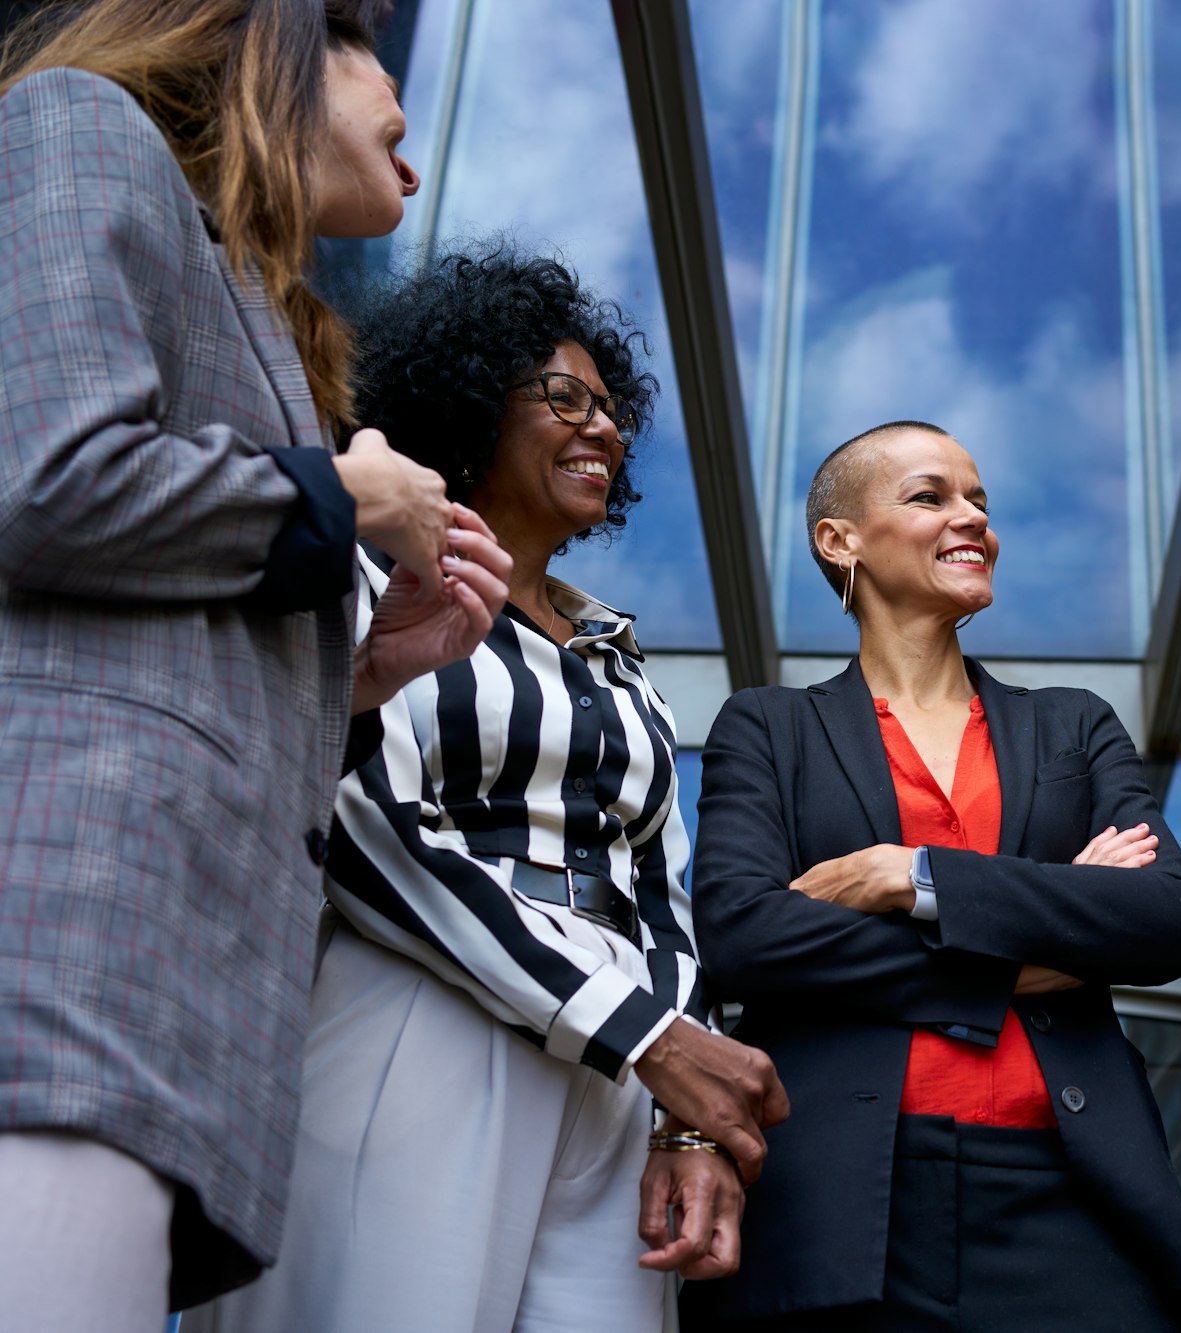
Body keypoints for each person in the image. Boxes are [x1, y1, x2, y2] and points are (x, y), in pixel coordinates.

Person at [0, 3, 513, 1325]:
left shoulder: (265, 313)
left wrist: (362, 678)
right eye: (367, 38)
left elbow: (154, 631)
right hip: (62, 956)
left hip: (157, 1008)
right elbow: (47, 483)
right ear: (276, 44)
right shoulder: (77, 124)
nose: (409, 108)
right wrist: (344, 494)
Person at [184, 247, 788, 1333]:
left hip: (622, 1063)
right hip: (423, 1003)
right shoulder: (369, 576)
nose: (602, 428)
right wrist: (642, 1035)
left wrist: (685, 1122)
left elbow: (663, 899)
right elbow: (364, 832)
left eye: (612, 410)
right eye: (563, 396)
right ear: (466, 402)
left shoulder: (614, 652)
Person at [680, 421, 1181, 1329]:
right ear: (840, 539)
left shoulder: (1073, 726)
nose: (972, 518)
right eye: (931, 496)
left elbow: (1169, 917)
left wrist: (915, 875)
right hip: (841, 1198)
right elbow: (742, 937)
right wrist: (1037, 940)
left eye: (979, 500)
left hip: (1073, 1197)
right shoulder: (768, 728)